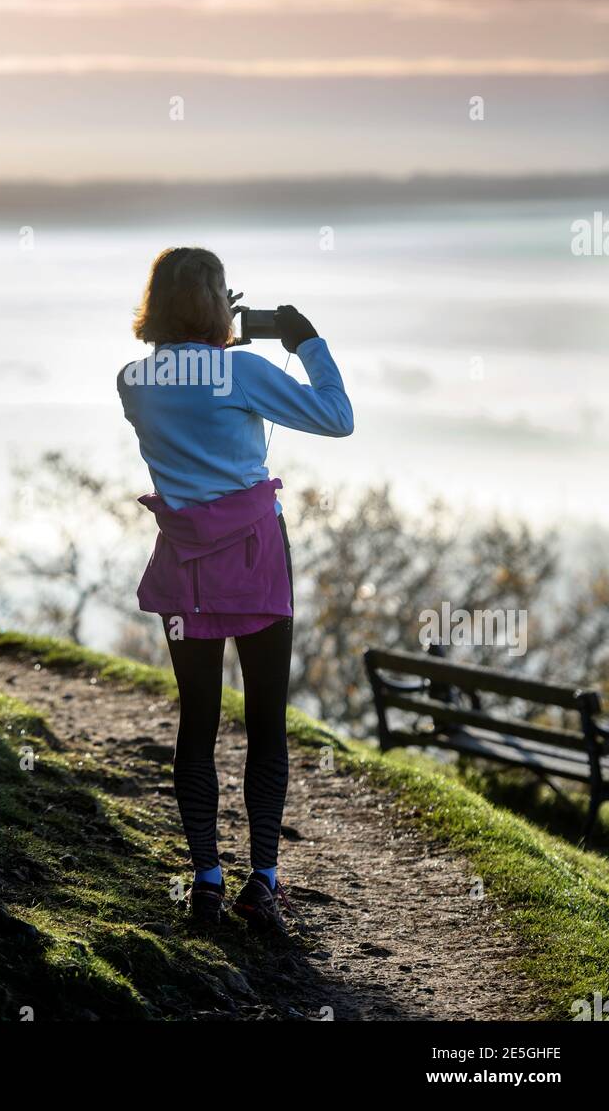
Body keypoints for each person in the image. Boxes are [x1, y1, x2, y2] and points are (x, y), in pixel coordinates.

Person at [118, 246, 353, 930]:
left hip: (185, 569)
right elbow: (337, 417)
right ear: (218, 303)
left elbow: (183, 373)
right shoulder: (241, 372)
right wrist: (304, 339)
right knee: (266, 725)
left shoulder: (133, 380)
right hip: (255, 562)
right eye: (224, 291)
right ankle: (265, 879)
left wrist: (216, 334)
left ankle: (207, 881)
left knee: (197, 724)